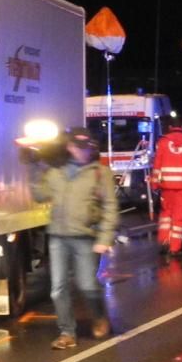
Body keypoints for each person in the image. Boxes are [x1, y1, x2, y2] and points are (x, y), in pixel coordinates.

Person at [38, 129, 119, 349]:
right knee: (58, 289)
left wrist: (105, 237)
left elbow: (110, 207)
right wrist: (34, 166)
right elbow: (39, 194)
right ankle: (67, 333)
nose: (83, 151)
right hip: (58, 237)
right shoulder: (57, 172)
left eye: (86, 147)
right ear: (69, 147)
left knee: (87, 285)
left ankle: (99, 315)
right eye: (78, 147)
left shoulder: (100, 173)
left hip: (86, 237)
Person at [150, 115, 182, 258]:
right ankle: (174, 248)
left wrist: (154, 184)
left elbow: (157, 165)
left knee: (166, 214)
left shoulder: (162, 142)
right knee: (179, 217)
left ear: (169, 127)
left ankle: (164, 240)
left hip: (166, 186)